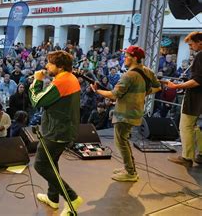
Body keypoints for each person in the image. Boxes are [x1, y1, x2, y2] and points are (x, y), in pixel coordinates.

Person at [92, 46, 161, 181]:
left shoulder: (129, 75)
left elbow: (113, 95)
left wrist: (97, 91)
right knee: (124, 140)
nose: (124, 58)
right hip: (136, 111)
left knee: (121, 142)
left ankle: (130, 172)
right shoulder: (147, 71)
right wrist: (141, 94)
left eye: (127, 55)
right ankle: (129, 167)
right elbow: (157, 86)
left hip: (125, 114)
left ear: (135, 58)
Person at [29, 50, 83, 215]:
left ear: (59, 66)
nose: (46, 66)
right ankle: (53, 198)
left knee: (40, 164)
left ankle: (72, 198)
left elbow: (36, 101)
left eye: (49, 63)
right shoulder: (69, 78)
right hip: (63, 129)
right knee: (52, 163)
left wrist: (37, 82)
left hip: (56, 132)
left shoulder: (62, 82)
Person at [166, 32, 202, 166]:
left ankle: (187, 158)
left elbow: (198, 80)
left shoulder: (200, 56)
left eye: (191, 44)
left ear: (199, 42)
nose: (190, 47)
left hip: (195, 98)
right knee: (196, 126)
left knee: (186, 126)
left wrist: (177, 85)